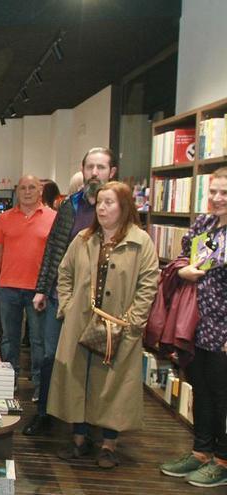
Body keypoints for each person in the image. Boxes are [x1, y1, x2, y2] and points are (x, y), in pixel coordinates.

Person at [48, 181, 158, 469]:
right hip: (81, 323)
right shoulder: (84, 238)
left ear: (124, 206)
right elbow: (65, 272)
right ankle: (79, 438)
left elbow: (148, 284)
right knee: (78, 379)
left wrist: (133, 322)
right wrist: (68, 306)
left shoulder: (140, 241)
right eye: (99, 203)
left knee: (114, 384)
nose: (102, 208)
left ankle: (109, 444)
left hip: (119, 326)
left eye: (109, 202)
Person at [26, 147, 118, 436]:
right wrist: (42, 289)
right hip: (61, 296)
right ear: (83, 169)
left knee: (94, 362)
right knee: (50, 356)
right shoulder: (71, 205)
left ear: (111, 172)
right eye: (90, 167)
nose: (94, 173)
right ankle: (45, 413)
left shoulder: (118, 206)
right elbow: (54, 247)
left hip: (102, 302)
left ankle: (90, 425)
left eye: (101, 167)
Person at [159, 167, 227, 488]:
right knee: (201, 389)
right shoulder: (205, 224)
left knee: (223, 396)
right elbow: (189, 259)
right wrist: (183, 270)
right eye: (212, 191)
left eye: (224, 192)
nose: (216, 198)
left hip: (224, 331)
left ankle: (223, 460)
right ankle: (201, 451)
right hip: (198, 323)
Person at [0, 175, 56, 400]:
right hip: (8, 287)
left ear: (40, 191)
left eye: (32, 188)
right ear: (17, 192)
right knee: (9, 338)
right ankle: (9, 381)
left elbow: (56, 256)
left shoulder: (52, 218)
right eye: (23, 188)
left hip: (39, 290)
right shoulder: (5, 219)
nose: (27, 192)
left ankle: (39, 384)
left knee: (38, 339)